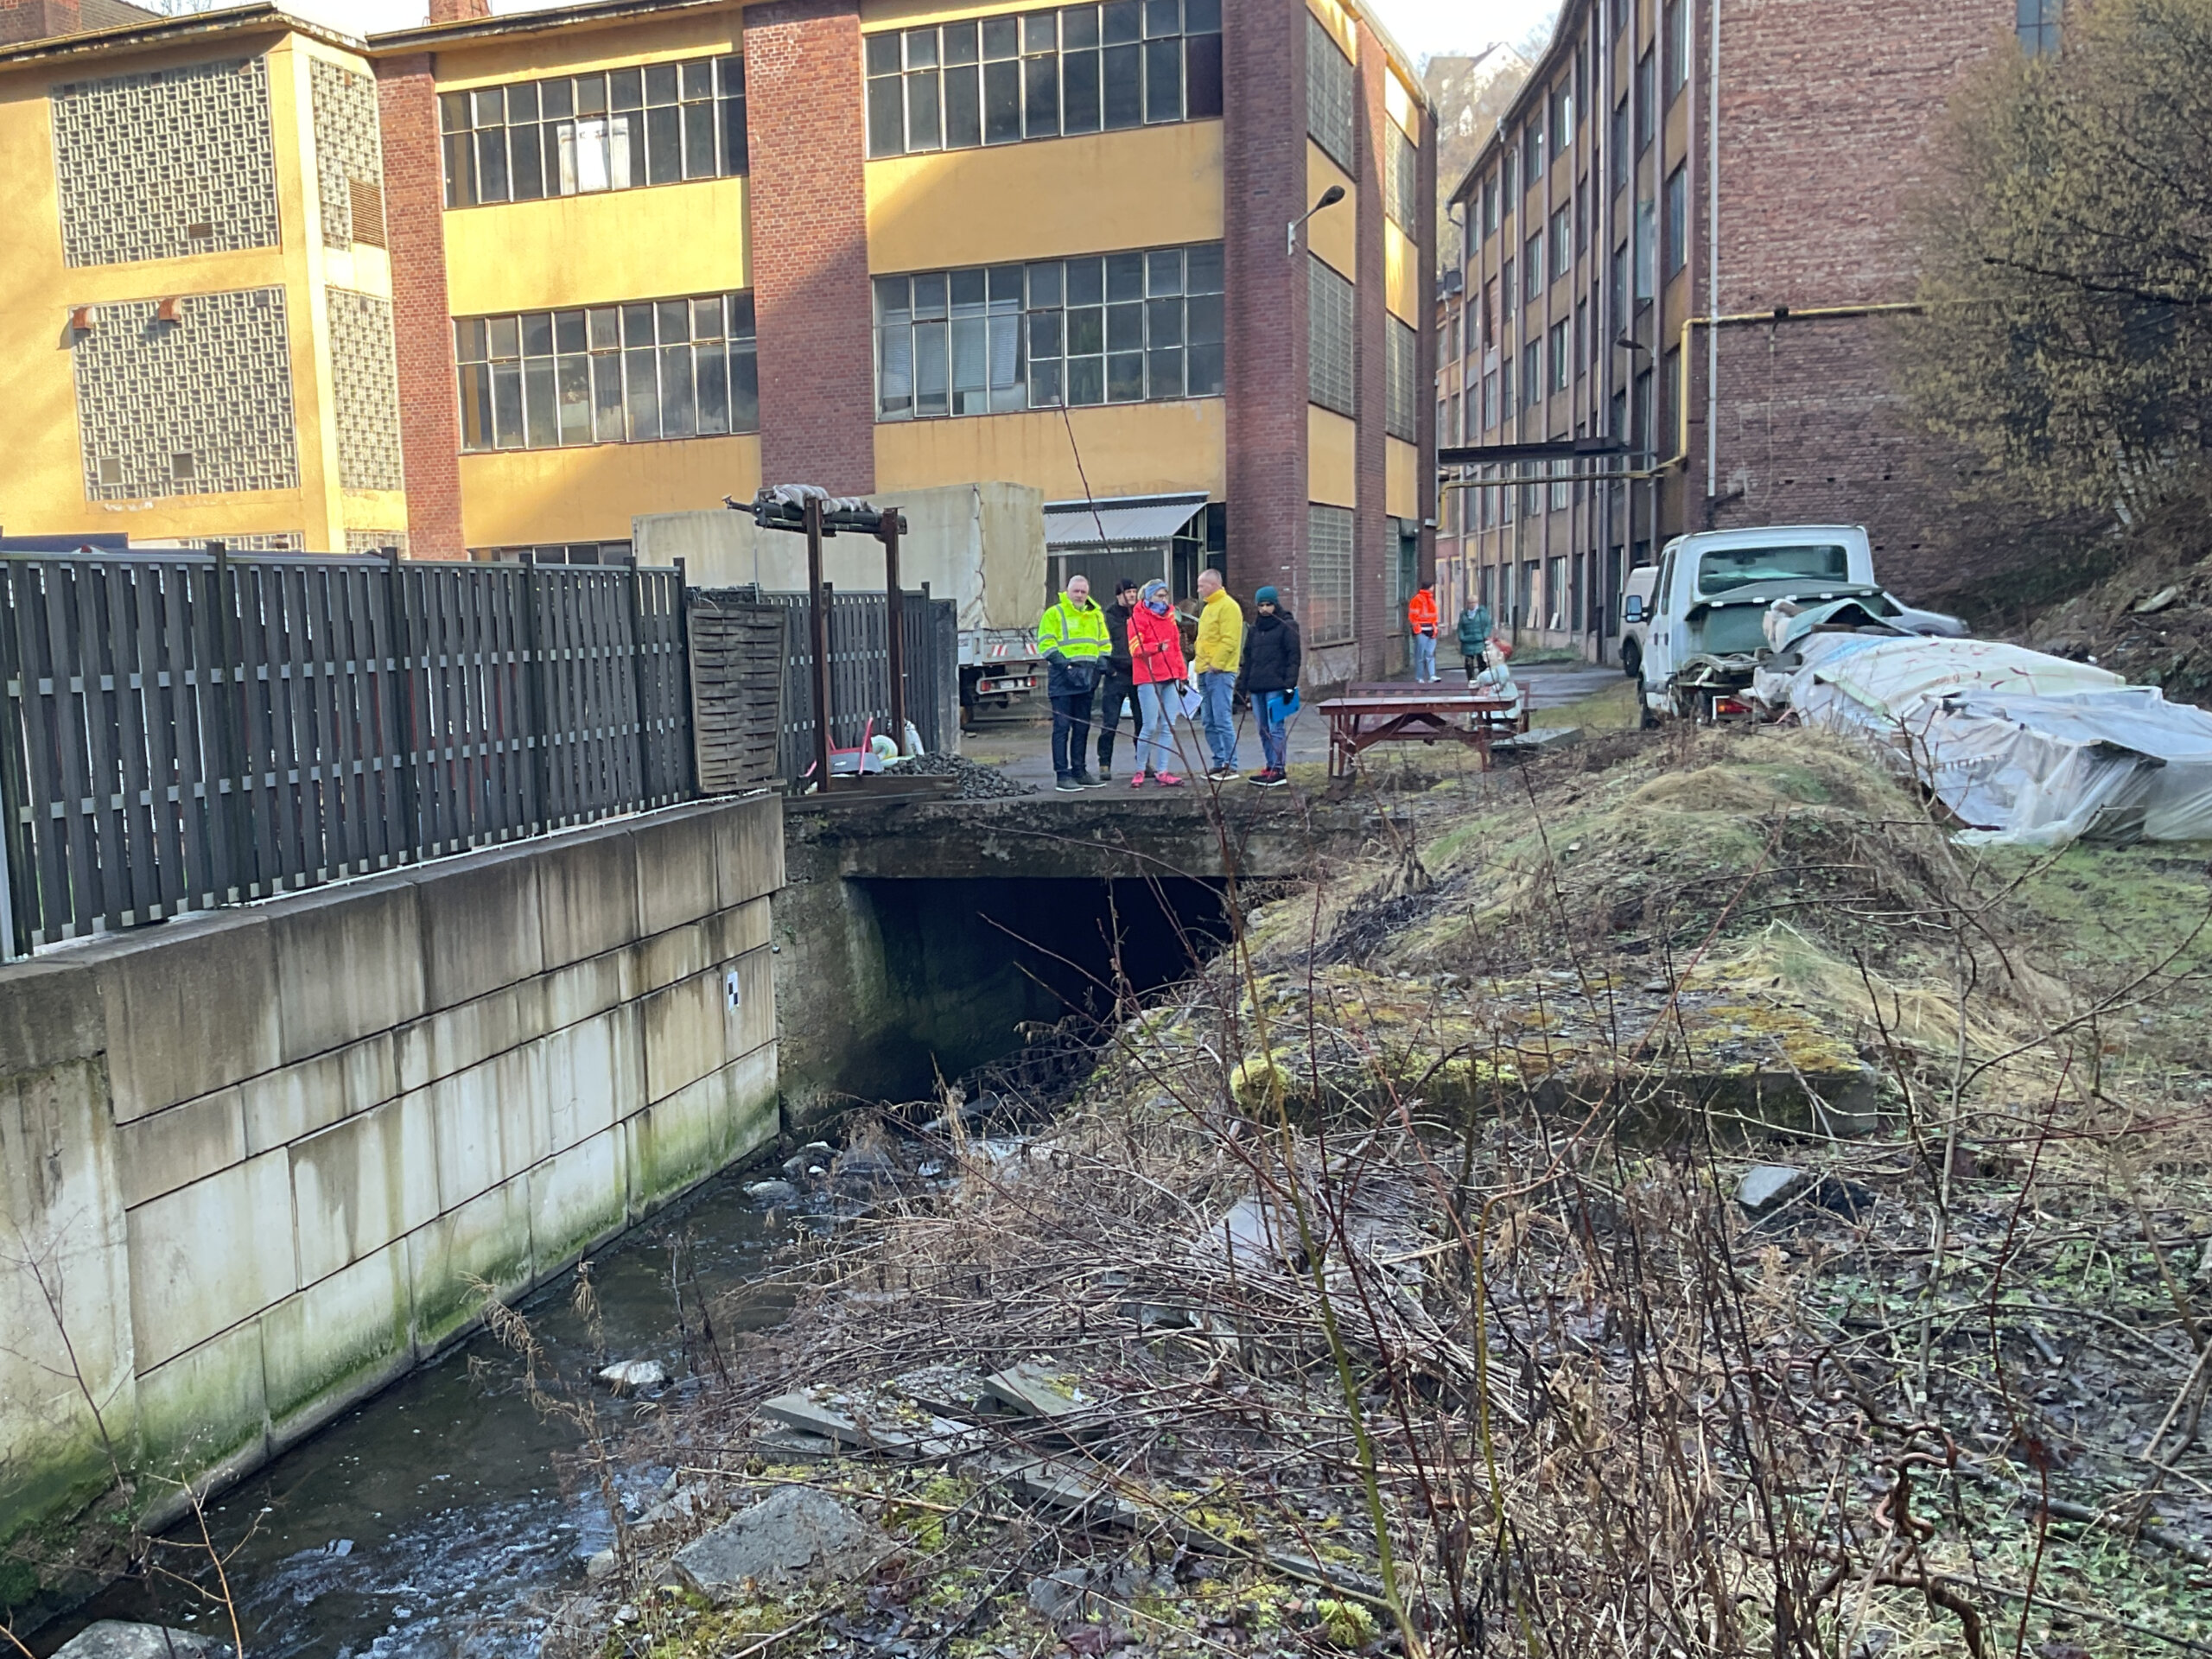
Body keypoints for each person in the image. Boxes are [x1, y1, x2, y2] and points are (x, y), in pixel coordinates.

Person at [1035, 575, 1110, 791]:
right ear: (1067, 592)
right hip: (1063, 676)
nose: (1079, 595)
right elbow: (1046, 643)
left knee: (1082, 727)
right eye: (1076, 591)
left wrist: (1101, 665)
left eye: (1083, 592)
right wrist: (1065, 666)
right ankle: (1063, 775)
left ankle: (1080, 771)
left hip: (1087, 676)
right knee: (1062, 728)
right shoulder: (1055, 613)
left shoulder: (1095, 615)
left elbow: (1104, 643)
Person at [1236, 585, 1302, 787]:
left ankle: (1278, 768)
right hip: (1257, 685)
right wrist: (1242, 687)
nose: (1265, 609)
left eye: (1268, 604)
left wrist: (1290, 685)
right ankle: (1270, 764)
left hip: (1277, 685)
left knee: (1276, 727)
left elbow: (1293, 658)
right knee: (1262, 728)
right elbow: (1248, 659)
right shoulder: (1255, 629)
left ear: (1276, 604)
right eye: (1261, 605)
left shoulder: (1287, 626)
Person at [1126, 579, 1187, 787]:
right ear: (1149, 596)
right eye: (1159, 596)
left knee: (1169, 726)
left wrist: (1182, 674)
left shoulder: (1170, 619)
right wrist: (1157, 647)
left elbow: (1177, 648)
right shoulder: (1137, 618)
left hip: (1170, 678)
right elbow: (1135, 649)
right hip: (1148, 678)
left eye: (1165, 596)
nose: (1163, 600)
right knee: (1149, 726)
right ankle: (1140, 769)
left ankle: (1163, 770)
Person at [1192, 568, 1243, 780]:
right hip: (1205, 671)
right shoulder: (1208, 608)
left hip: (1220, 672)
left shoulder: (1228, 607)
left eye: (1201, 585)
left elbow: (1229, 640)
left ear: (1213, 585)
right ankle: (1218, 762)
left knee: (1221, 719)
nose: (1198, 589)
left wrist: (1217, 663)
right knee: (1209, 721)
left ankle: (1231, 764)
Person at [1094, 579, 1140, 781]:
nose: (1131, 595)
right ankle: (1104, 763)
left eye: (1133, 592)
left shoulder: (1139, 614)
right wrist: (1109, 670)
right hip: (1116, 674)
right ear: (1118, 595)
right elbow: (1099, 645)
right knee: (1110, 722)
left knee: (1142, 721)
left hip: (1138, 673)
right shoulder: (1108, 617)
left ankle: (1143, 762)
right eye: (1127, 592)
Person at [1456, 594, 1493, 683]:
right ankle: (1471, 680)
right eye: (1470, 603)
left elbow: (1488, 625)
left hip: (1480, 641)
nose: (1472, 605)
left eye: (1474, 603)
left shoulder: (1482, 613)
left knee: (1482, 662)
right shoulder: (1463, 614)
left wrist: (1484, 635)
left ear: (1477, 603)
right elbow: (1460, 627)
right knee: (1469, 663)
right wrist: (1462, 637)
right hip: (1467, 642)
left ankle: (1482, 680)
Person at [1408, 581, 1440, 683]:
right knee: (1420, 655)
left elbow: (1434, 617)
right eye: (1432, 587)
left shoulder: (1430, 600)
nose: (1433, 589)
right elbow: (1413, 616)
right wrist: (1417, 629)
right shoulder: (1418, 600)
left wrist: (1435, 628)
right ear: (1429, 587)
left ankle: (1432, 675)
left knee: (1429, 654)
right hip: (1422, 631)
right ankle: (1419, 677)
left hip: (1430, 630)